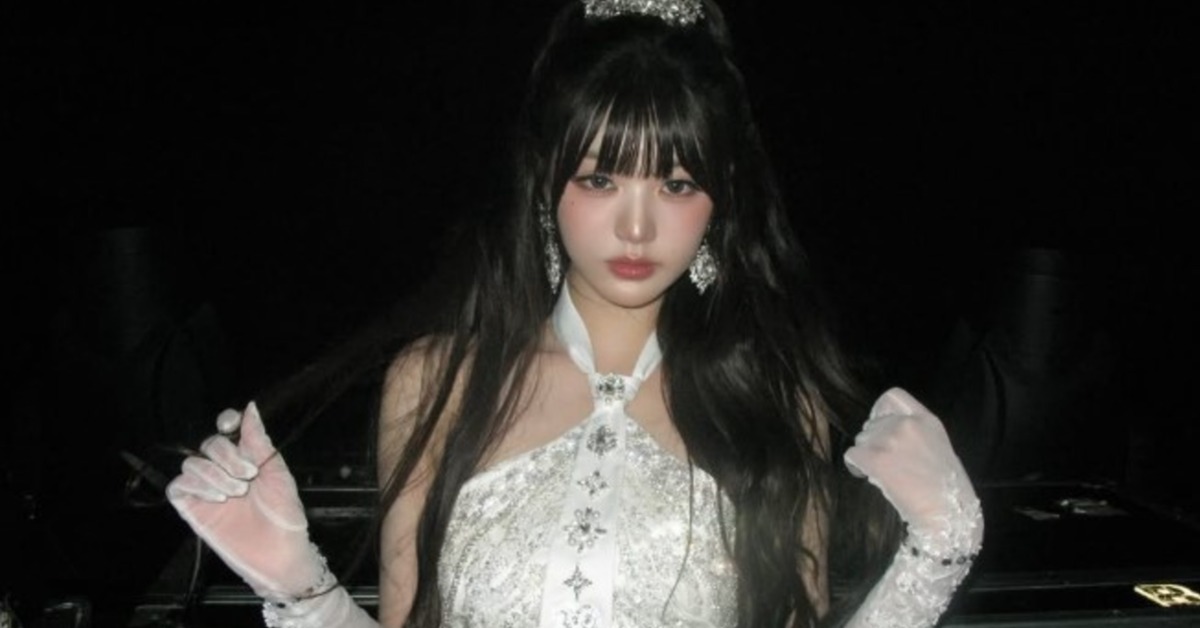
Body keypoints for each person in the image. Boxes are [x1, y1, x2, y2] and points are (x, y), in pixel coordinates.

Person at [167, 0, 984, 626]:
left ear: (720, 204)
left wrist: (937, 553)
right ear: (547, 186)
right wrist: (300, 585)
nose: (637, 227)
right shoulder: (436, 382)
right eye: (600, 179)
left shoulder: (773, 401)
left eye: (676, 184)